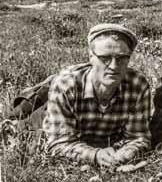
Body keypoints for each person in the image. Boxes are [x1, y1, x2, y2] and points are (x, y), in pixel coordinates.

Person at [41, 24, 151, 166]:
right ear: (91, 57)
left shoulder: (137, 85)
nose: (113, 66)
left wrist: (128, 152)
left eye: (121, 58)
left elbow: (139, 137)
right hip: (55, 124)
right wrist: (95, 155)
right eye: (105, 58)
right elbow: (58, 143)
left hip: (107, 142)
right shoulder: (66, 85)